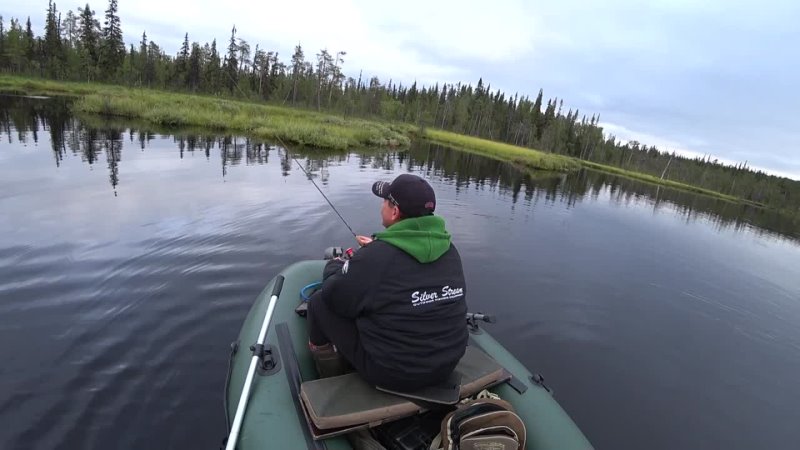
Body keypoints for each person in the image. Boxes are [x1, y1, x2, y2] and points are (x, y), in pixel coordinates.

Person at [307, 173, 468, 391]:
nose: (381, 206)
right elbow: (407, 271)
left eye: (384, 200)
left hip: (392, 373)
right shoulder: (450, 250)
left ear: (394, 211)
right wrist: (375, 250)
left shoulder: (377, 258)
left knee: (318, 304)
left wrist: (336, 265)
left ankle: (326, 375)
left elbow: (334, 296)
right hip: (446, 366)